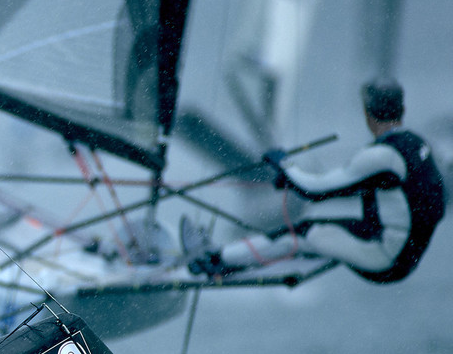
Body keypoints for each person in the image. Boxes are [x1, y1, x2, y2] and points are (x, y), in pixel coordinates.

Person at [190, 80, 445, 282]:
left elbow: (313, 190)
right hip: (403, 253)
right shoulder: (416, 144)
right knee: (317, 232)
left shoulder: (383, 156)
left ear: (368, 113)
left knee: (301, 234)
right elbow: (435, 202)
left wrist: (283, 165)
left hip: (385, 258)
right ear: (402, 110)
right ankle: (232, 261)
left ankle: (216, 260)